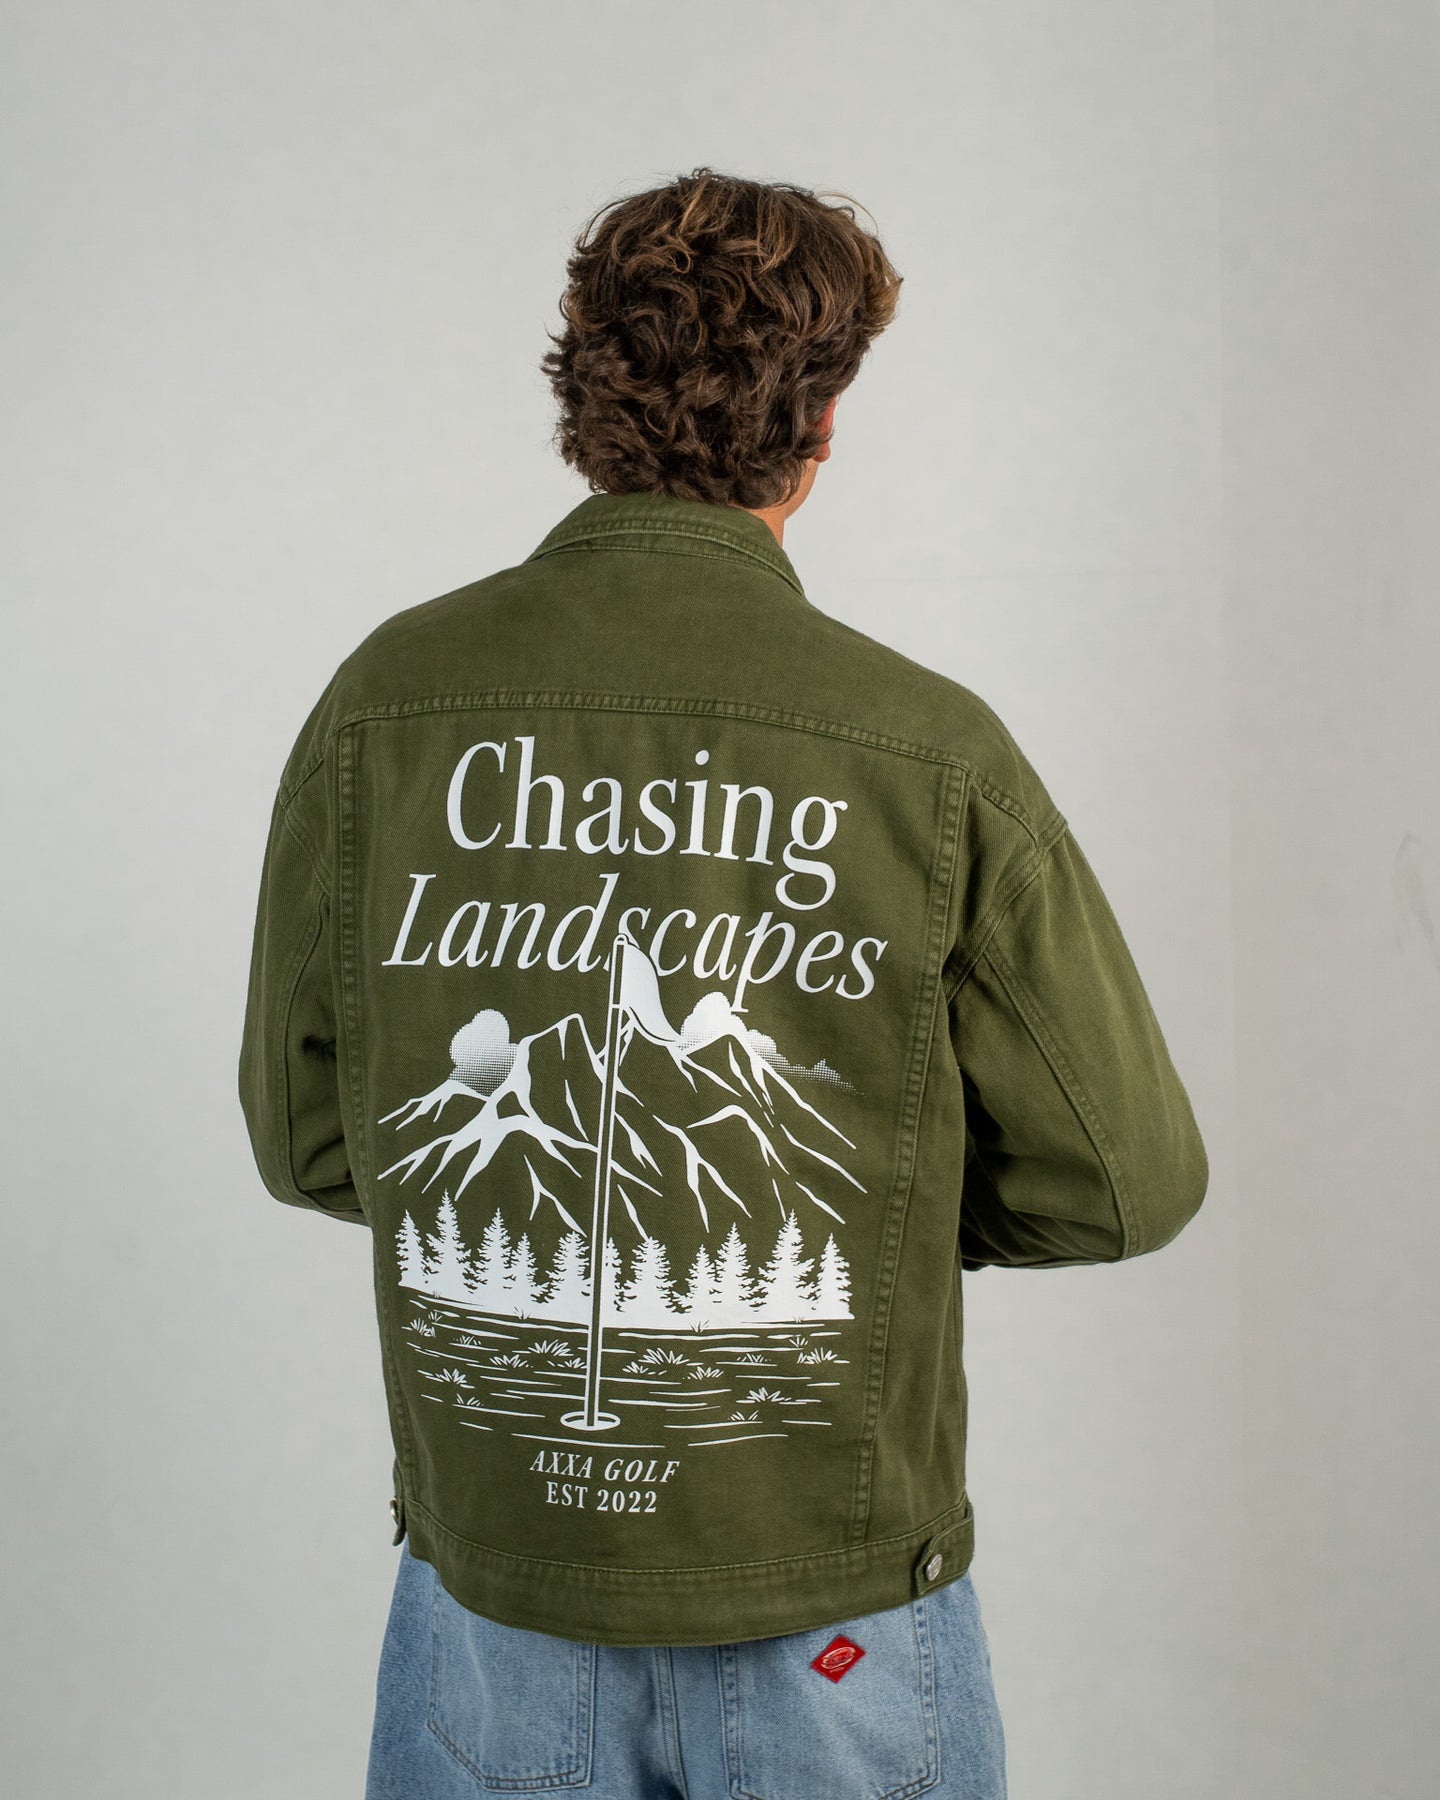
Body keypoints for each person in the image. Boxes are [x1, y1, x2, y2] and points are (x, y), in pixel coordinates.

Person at [238, 166, 1208, 1800]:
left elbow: (310, 1139)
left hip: (495, 1603)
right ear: (819, 422)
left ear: (586, 399)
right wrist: (875, 1216)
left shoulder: (384, 704)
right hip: (837, 1617)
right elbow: (1128, 1182)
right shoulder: (928, 747)